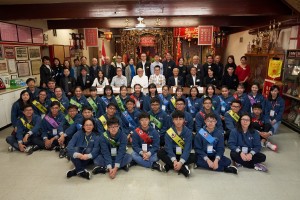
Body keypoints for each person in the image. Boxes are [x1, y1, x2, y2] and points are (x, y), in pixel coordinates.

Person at [158, 110, 194, 177]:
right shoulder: (169, 132)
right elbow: (168, 148)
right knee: (160, 153)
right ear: (173, 120)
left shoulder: (188, 132)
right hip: (172, 153)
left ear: (184, 120)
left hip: (182, 153)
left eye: (180, 119)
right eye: (176, 119)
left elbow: (187, 149)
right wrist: (174, 161)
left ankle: (169, 165)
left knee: (195, 156)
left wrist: (180, 162)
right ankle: (182, 168)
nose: (178, 121)